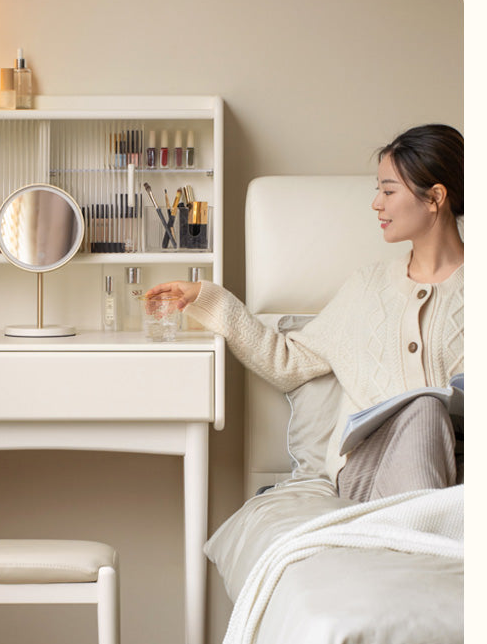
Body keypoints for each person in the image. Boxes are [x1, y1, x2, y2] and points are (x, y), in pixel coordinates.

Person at [146, 124, 464, 501]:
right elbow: (289, 361)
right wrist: (210, 298)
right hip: (371, 469)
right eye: (378, 190)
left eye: (388, 191)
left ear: (435, 197)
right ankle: (425, 525)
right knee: (425, 409)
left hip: (460, 468)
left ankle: (419, 526)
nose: (376, 203)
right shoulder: (369, 287)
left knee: (431, 415)